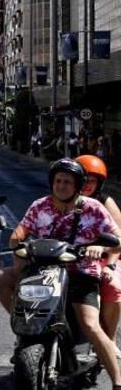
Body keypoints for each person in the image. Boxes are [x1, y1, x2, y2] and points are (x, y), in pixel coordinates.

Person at [0, 159, 121, 386]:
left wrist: (100, 247)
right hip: (41, 271)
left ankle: (117, 380)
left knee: (90, 324)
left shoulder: (93, 208)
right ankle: (27, 331)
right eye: (58, 181)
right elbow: (19, 232)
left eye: (67, 182)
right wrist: (18, 244)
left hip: (79, 273)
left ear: (78, 185)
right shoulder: (40, 205)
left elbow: (117, 241)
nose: (61, 185)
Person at [77, 154, 121, 359]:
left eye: (92, 180)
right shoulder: (66, 196)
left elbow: (119, 239)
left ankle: (109, 341)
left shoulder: (105, 202)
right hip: (69, 257)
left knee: (113, 287)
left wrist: (109, 266)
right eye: (83, 179)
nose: (87, 184)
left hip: (105, 256)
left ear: (99, 183)